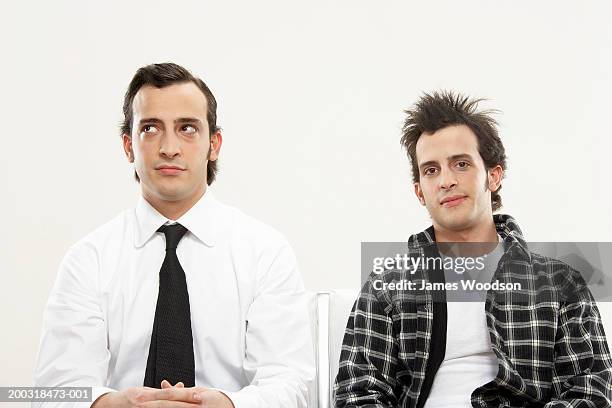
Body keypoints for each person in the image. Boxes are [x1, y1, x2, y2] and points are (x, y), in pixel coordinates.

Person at [33, 62, 315, 408]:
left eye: (187, 128)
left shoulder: (265, 253)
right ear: (128, 146)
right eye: (150, 128)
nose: (169, 147)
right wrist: (112, 404)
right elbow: (53, 391)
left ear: (214, 144)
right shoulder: (88, 259)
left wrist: (227, 405)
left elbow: (292, 385)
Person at [334, 91, 612, 407]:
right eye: (431, 170)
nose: (446, 180)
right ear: (420, 192)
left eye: (461, 164)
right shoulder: (389, 284)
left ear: (493, 176)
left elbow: (589, 393)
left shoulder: (559, 282)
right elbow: (357, 394)